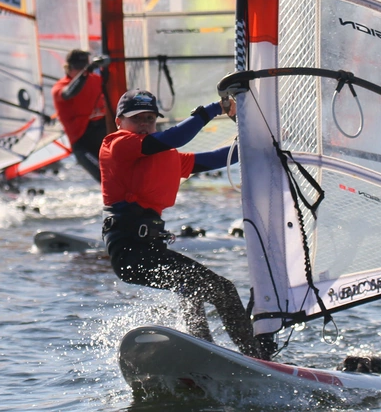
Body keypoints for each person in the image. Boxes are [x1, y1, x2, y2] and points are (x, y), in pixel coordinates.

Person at [100, 89, 272, 358]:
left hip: (151, 249)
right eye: (137, 119)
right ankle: (257, 357)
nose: (144, 124)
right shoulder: (117, 144)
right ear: (120, 121)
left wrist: (258, 142)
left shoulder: (164, 156)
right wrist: (213, 109)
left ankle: (204, 350)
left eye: (150, 118)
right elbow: (175, 137)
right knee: (221, 289)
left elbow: (215, 159)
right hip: (129, 251)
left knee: (193, 287)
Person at [51, 49, 109, 182]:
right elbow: (70, 93)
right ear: (68, 68)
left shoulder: (96, 80)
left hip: (103, 136)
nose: (81, 71)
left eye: (84, 68)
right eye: (78, 68)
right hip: (83, 144)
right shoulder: (60, 88)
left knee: (123, 177)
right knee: (106, 179)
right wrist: (85, 73)